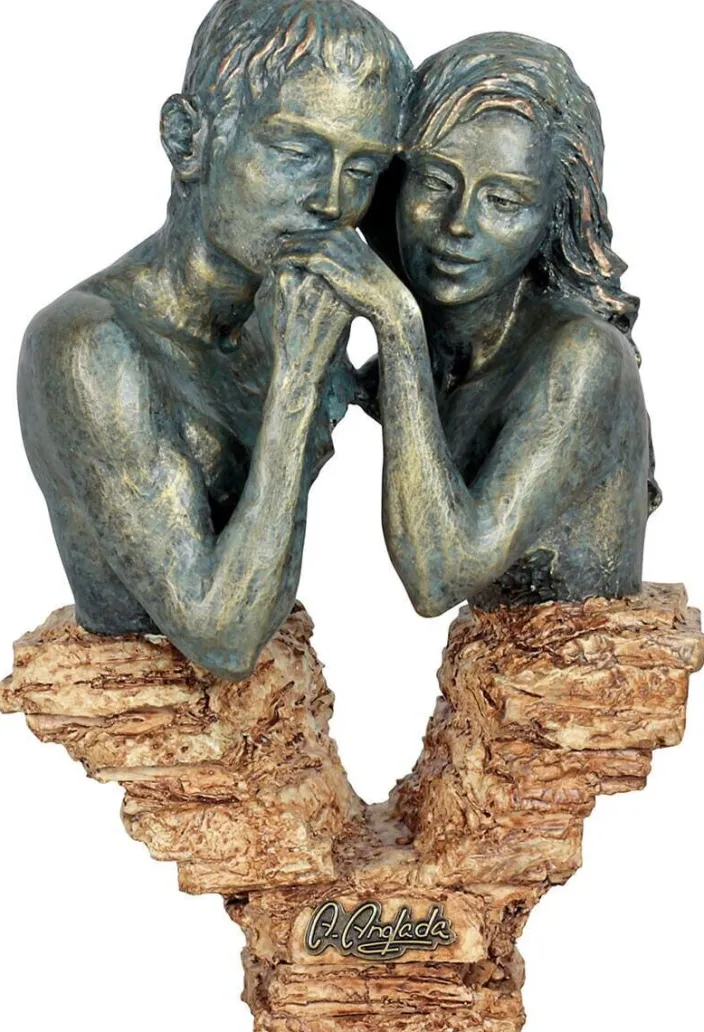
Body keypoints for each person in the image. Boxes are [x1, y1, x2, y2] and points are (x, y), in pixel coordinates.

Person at [17, 0, 412, 678]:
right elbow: (223, 638)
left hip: (278, 705)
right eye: (297, 152)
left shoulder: (288, 308)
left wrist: (402, 324)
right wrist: (297, 380)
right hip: (147, 704)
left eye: (362, 170)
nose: (331, 202)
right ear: (188, 139)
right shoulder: (89, 346)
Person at [285, 32, 659, 614]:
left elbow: (438, 576)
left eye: (503, 201)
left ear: (553, 218)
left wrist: (394, 320)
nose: (460, 223)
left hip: (579, 662)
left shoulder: (584, 359)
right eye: (436, 182)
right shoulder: (435, 353)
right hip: (490, 658)